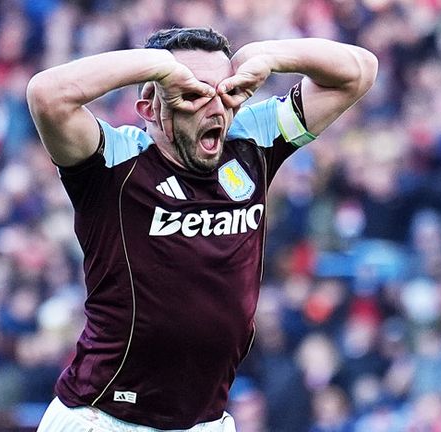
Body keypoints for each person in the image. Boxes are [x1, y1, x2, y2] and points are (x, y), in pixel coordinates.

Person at [26, 27, 377, 431]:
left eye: (224, 91)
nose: (216, 107)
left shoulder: (252, 142)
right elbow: (47, 96)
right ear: (149, 108)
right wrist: (157, 66)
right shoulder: (115, 162)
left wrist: (267, 55)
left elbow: (360, 71)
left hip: (205, 422)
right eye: (193, 93)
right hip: (103, 418)